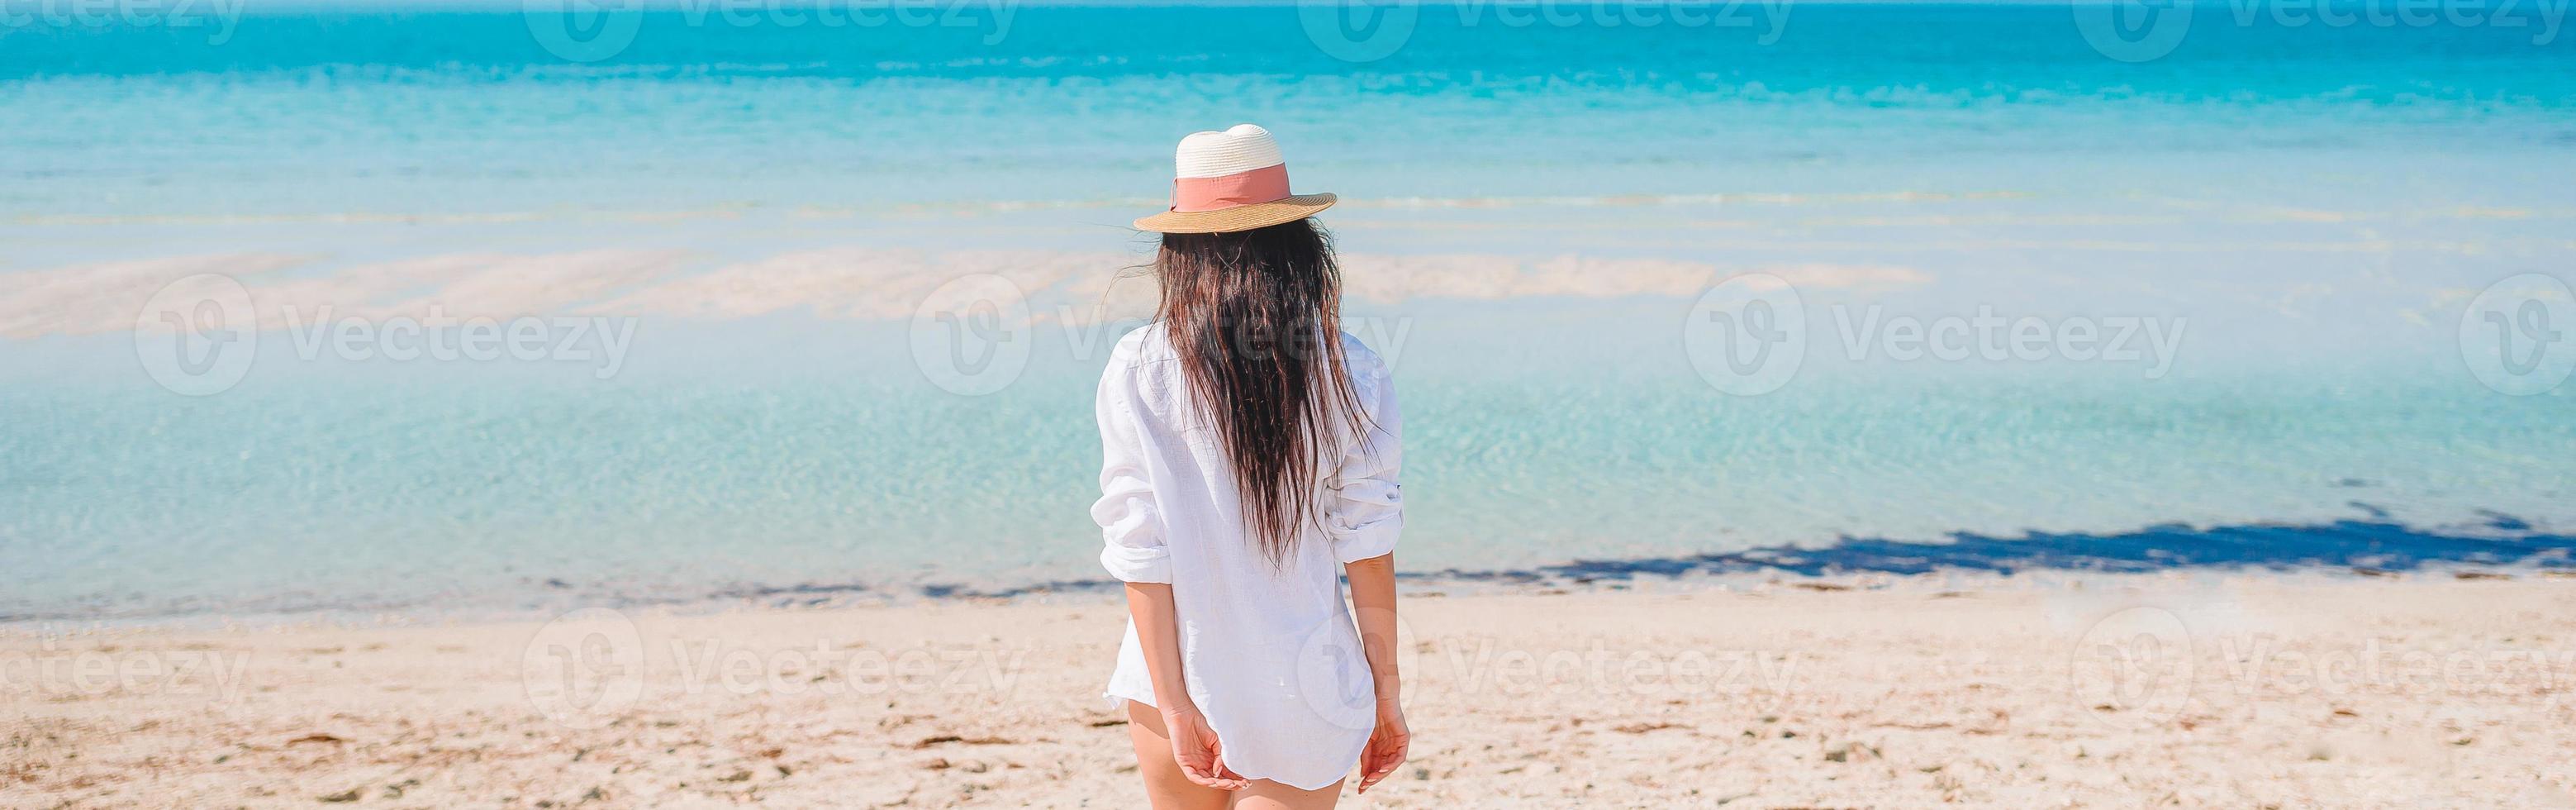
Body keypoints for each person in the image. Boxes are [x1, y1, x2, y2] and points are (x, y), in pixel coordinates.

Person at [1093, 124, 1409, 809]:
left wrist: (1175, 703)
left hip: (1171, 674)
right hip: (1308, 686)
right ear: (1297, 246)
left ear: (1179, 250)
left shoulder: (1139, 366)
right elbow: (1369, 543)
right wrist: (1387, 690)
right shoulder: (1348, 366)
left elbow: (1139, 549)